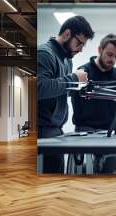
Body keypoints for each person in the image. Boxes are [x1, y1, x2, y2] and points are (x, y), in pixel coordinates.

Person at [37, 16, 94, 173]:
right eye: (79, 43)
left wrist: (78, 88)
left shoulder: (67, 60)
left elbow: (60, 90)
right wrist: (74, 78)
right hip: (44, 130)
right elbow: (39, 88)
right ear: (67, 34)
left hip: (56, 129)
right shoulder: (44, 53)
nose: (81, 49)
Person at [70, 34, 116, 173]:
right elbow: (75, 103)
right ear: (99, 49)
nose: (112, 59)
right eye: (109, 54)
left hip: (109, 133)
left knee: (109, 177)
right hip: (84, 132)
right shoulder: (83, 73)